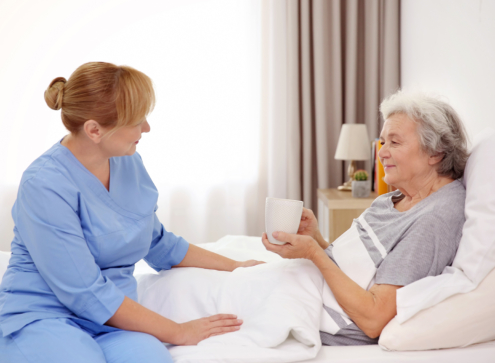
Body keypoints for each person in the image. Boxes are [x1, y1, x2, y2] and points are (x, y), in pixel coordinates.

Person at [0, 62, 263, 363]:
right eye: (137, 121)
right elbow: (84, 292)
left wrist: (239, 267)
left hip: (114, 323)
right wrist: (178, 332)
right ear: (94, 130)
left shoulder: (128, 162)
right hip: (45, 318)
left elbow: (159, 244)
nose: (146, 128)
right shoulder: (44, 184)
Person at [263, 90, 469, 346]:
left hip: (308, 313)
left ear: (435, 152)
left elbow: (373, 318)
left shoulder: (433, 220)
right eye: (383, 142)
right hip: (299, 289)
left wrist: (314, 253)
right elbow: (357, 274)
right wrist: (316, 239)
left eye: (394, 142)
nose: (381, 153)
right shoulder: (393, 199)